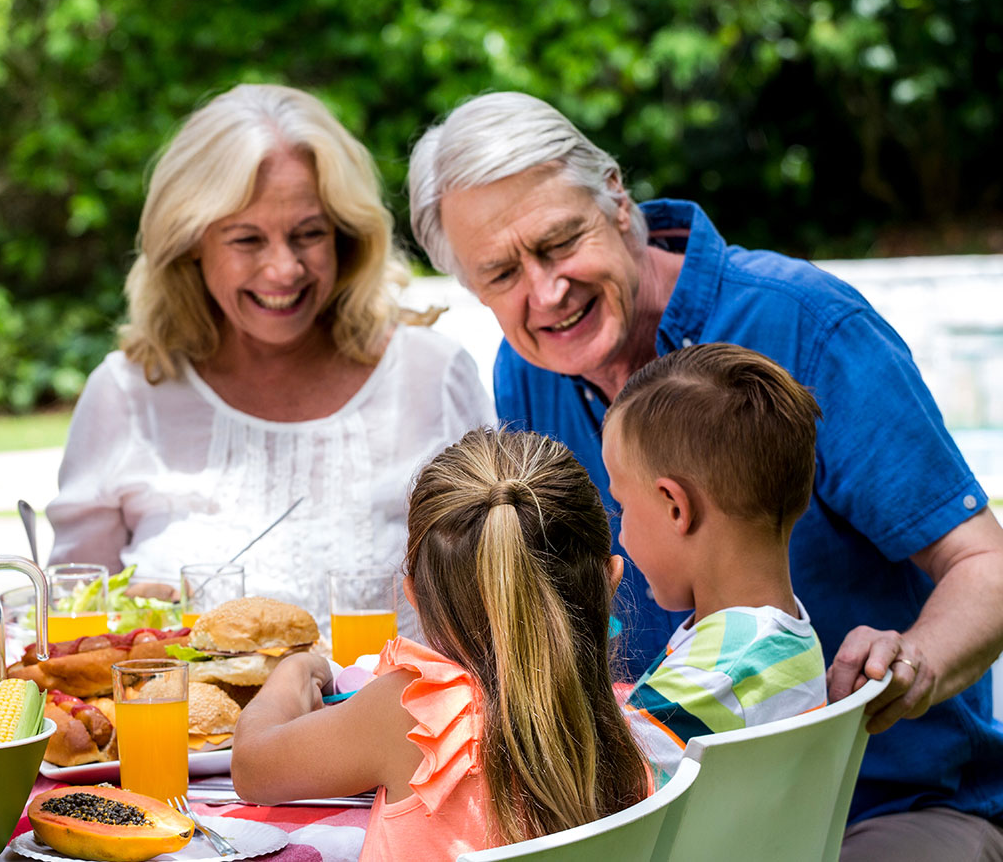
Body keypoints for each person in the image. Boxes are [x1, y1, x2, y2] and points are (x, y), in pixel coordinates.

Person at [409, 90, 1003, 857]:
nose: (547, 291)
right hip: (652, 812)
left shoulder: (804, 323)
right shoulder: (528, 372)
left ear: (616, 197)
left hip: (884, 802)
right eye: (501, 273)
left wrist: (912, 662)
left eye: (559, 242)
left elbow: (984, 564)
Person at [47, 84, 493, 632]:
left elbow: (501, 597)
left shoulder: (431, 374)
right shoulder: (126, 392)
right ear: (191, 241)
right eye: (247, 240)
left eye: (309, 233)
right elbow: (69, 620)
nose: (284, 269)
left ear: (345, 235)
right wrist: (126, 624)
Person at [232, 428, 648, 861]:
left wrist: (295, 670)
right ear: (611, 579)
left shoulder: (418, 712)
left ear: (412, 595)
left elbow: (250, 767)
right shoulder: (622, 733)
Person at [604, 343, 829, 787]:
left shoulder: (717, 674)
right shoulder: (776, 636)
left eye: (622, 505)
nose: (621, 536)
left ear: (675, 507)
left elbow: (587, 789)